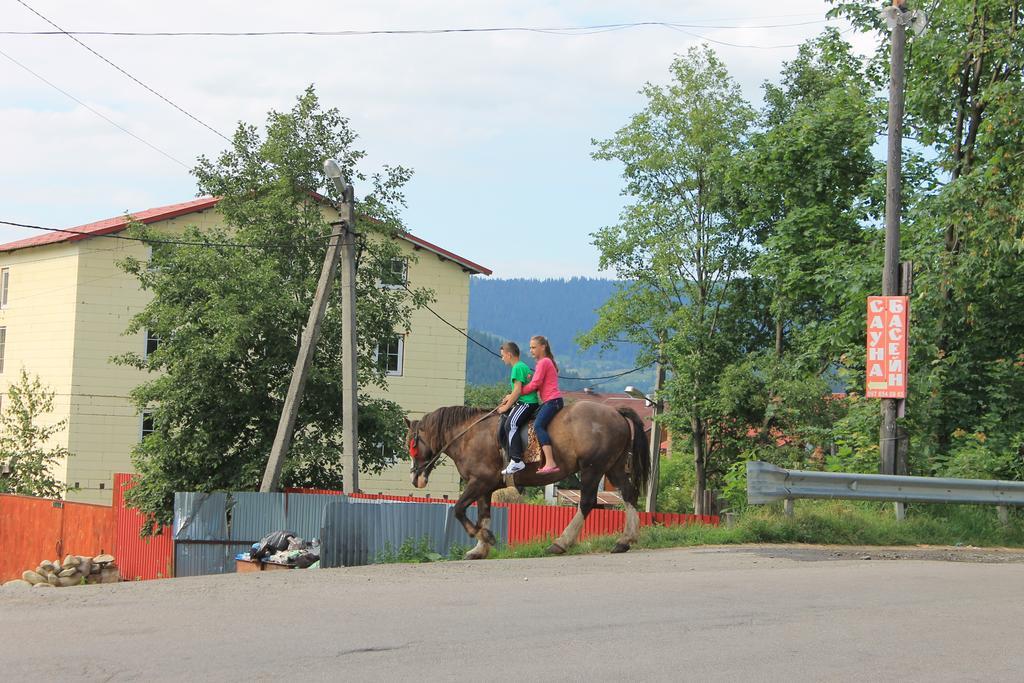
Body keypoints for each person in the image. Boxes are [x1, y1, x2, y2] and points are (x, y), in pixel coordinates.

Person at [517, 335, 563, 475]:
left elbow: (536, 384)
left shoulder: (544, 362)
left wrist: (518, 392)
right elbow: (538, 381)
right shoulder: (545, 363)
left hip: (552, 401)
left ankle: (550, 461)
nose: (531, 350)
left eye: (533, 347)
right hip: (550, 401)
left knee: (538, 425)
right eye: (530, 347)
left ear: (543, 347)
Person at [496, 341, 540, 475]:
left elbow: (518, 391)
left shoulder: (517, 368)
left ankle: (516, 460)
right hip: (527, 401)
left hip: (526, 403)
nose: (502, 358)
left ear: (509, 354)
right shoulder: (522, 366)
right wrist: (509, 397)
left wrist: (506, 407)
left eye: (503, 355)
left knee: (511, 424)